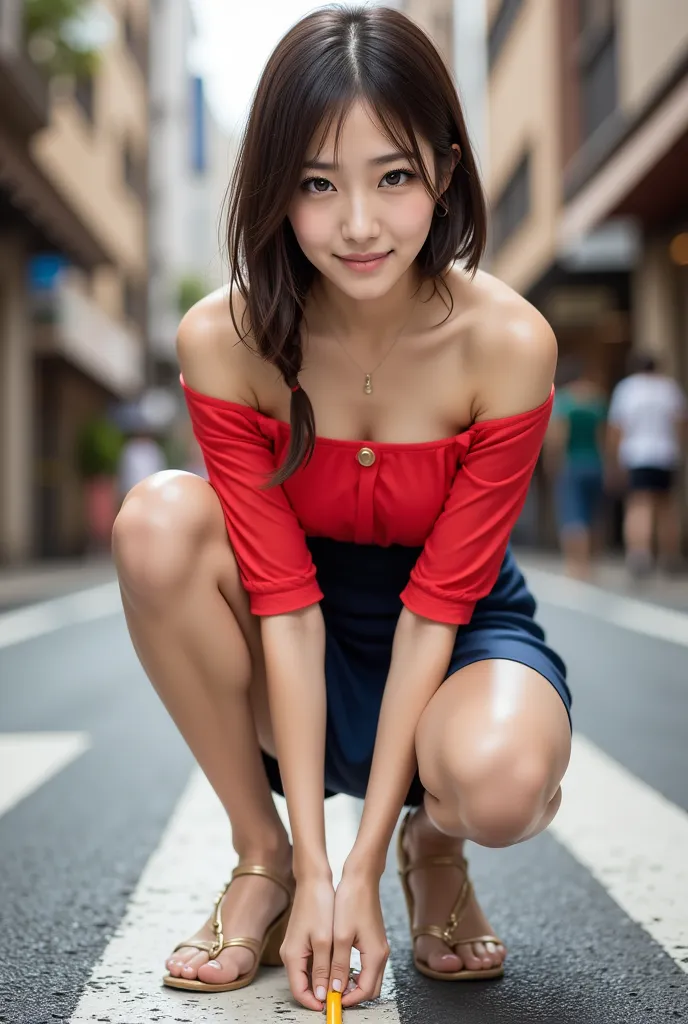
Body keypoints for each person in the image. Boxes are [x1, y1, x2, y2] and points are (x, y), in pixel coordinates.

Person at [112, 6, 570, 1013]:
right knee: (155, 521)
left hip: (453, 631)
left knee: (500, 779)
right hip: (297, 628)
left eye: (392, 176)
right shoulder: (223, 340)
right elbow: (283, 599)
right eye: (317, 184)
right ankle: (260, 858)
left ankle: (431, 848)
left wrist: (361, 872)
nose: (358, 223)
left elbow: (434, 608)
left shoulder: (509, 342)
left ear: (444, 173)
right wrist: (315, 869)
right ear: (275, 190)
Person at [607, 353, 688, 577]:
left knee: (639, 505)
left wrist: (614, 458)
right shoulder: (669, 388)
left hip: (636, 454)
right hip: (665, 453)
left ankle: (639, 554)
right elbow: (680, 423)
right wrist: (679, 450)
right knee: (666, 507)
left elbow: (617, 426)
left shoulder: (627, 389)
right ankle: (670, 555)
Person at [546, 362, 607, 578]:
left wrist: (552, 461)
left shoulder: (564, 401)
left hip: (572, 462)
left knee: (573, 513)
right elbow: (603, 437)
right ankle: (592, 562)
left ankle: (576, 564)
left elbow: (558, 436)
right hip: (595, 462)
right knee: (593, 513)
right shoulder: (596, 400)